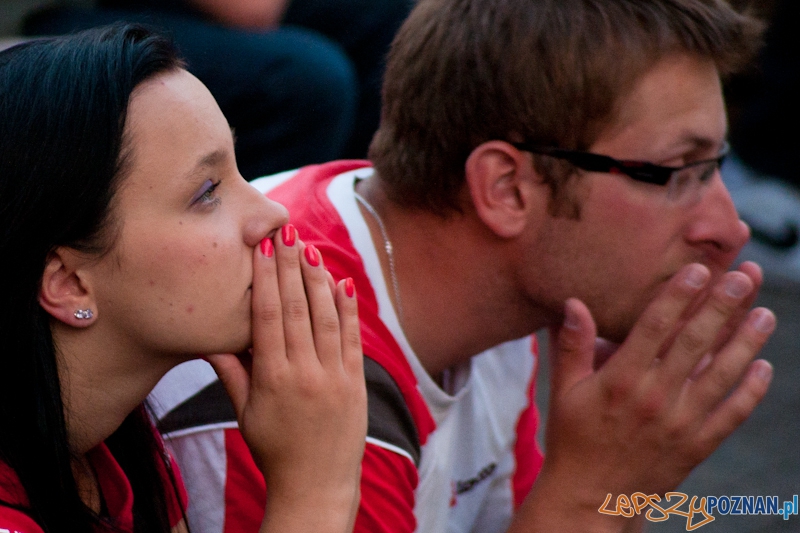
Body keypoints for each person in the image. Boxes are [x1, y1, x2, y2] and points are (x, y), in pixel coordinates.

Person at [153, 0, 778, 532]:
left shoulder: (503, 296)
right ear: (506, 189)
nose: (730, 230)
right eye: (676, 173)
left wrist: (615, 481)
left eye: (716, 168)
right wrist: (597, 487)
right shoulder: (297, 382)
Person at [0, 23, 366, 533]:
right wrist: (315, 490)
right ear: (68, 283)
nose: (273, 214)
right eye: (208, 191)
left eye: (239, 169)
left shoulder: (114, 447)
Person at [22, 0, 414, 179]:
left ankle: (346, 216)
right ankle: (260, 261)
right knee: (307, 80)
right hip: (74, 17)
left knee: (383, 16)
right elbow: (252, 8)